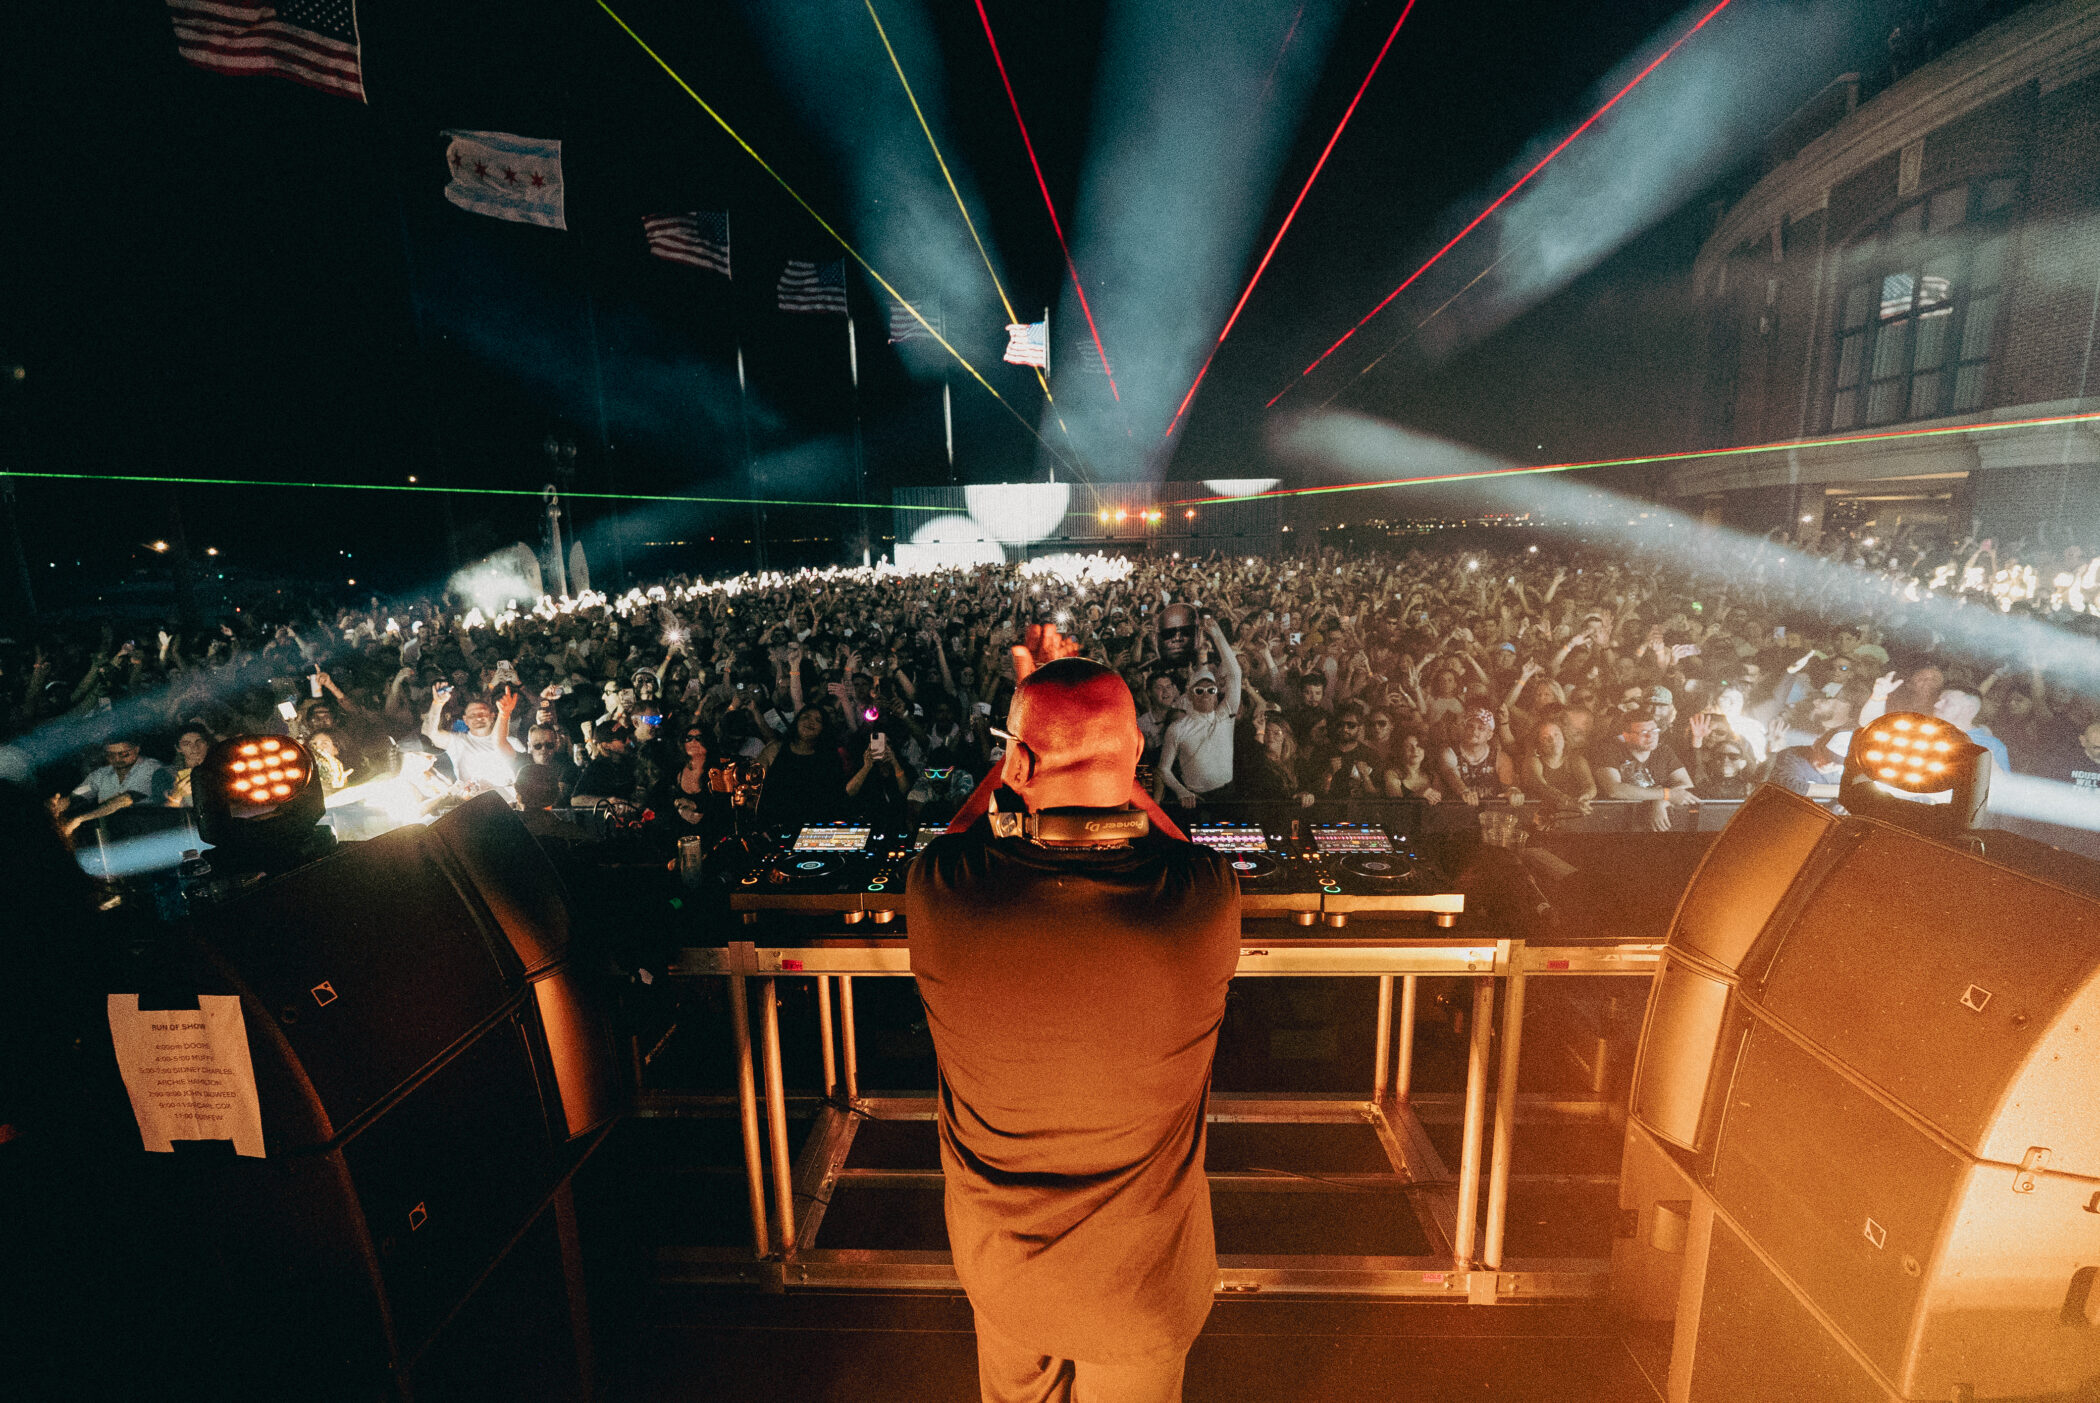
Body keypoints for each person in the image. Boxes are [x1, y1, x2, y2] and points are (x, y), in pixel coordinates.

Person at [907, 657, 1240, 1403]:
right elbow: (1173, 841)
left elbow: (958, 832)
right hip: (1141, 1288)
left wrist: (1016, 766)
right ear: (1136, 760)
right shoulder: (1202, 903)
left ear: (1017, 759)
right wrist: (1111, 774)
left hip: (1005, 1276)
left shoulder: (943, 894)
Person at [1593, 708, 1696, 832]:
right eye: (1643, 732)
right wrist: (1666, 794)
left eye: (1654, 731)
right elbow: (1614, 789)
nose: (1651, 736)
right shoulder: (1608, 751)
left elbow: (1686, 784)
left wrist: (1661, 802)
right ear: (1626, 736)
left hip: (1657, 826)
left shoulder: (1663, 751)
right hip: (1617, 825)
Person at [63, 737, 173, 835]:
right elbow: (80, 794)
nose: (117, 759)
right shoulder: (101, 774)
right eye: (110, 755)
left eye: (124, 754)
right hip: (118, 836)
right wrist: (63, 803)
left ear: (136, 749)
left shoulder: (151, 768)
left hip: (153, 833)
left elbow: (124, 800)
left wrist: (79, 819)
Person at [421, 686, 521, 794]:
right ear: (465, 720)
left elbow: (502, 743)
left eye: (482, 713)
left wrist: (504, 714)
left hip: (506, 800)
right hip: (470, 802)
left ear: (492, 716)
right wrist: (437, 704)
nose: (478, 718)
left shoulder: (512, 742)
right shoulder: (457, 742)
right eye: (472, 715)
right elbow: (430, 732)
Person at [1439, 706, 1520, 807]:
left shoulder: (1500, 757)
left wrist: (1513, 792)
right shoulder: (1450, 752)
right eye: (1470, 726)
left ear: (1489, 735)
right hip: (1459, 811)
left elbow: (1509, 786)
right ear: (1464, 729)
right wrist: (1463, 791)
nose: (1474, 731)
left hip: (1490, 812)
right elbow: (1450, 774)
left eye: (1481, 728)